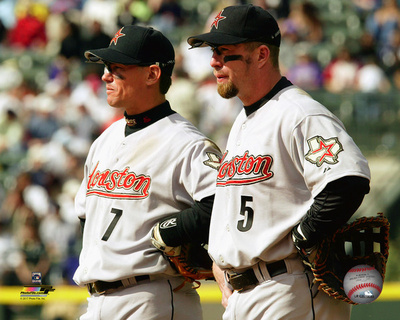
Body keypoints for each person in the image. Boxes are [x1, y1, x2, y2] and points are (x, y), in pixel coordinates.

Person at [187, 4, 371, 320]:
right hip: (246, 293)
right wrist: (221, 259)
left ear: (261, 55)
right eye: (213, 52)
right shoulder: (244, 120)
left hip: (290, 288)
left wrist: (301, 239)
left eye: (225, 52)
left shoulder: (299, 113)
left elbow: (347, 181)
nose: (213, 61)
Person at [73, 25, 222, 320]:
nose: (105, 76)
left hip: (151, 296)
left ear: (152, 74)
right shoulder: (105, 139)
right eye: (106, 68)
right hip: (98, 299)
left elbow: (222, 203)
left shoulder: (186, 142)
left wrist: (170, 231)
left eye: (117, 69)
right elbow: (85, 216)